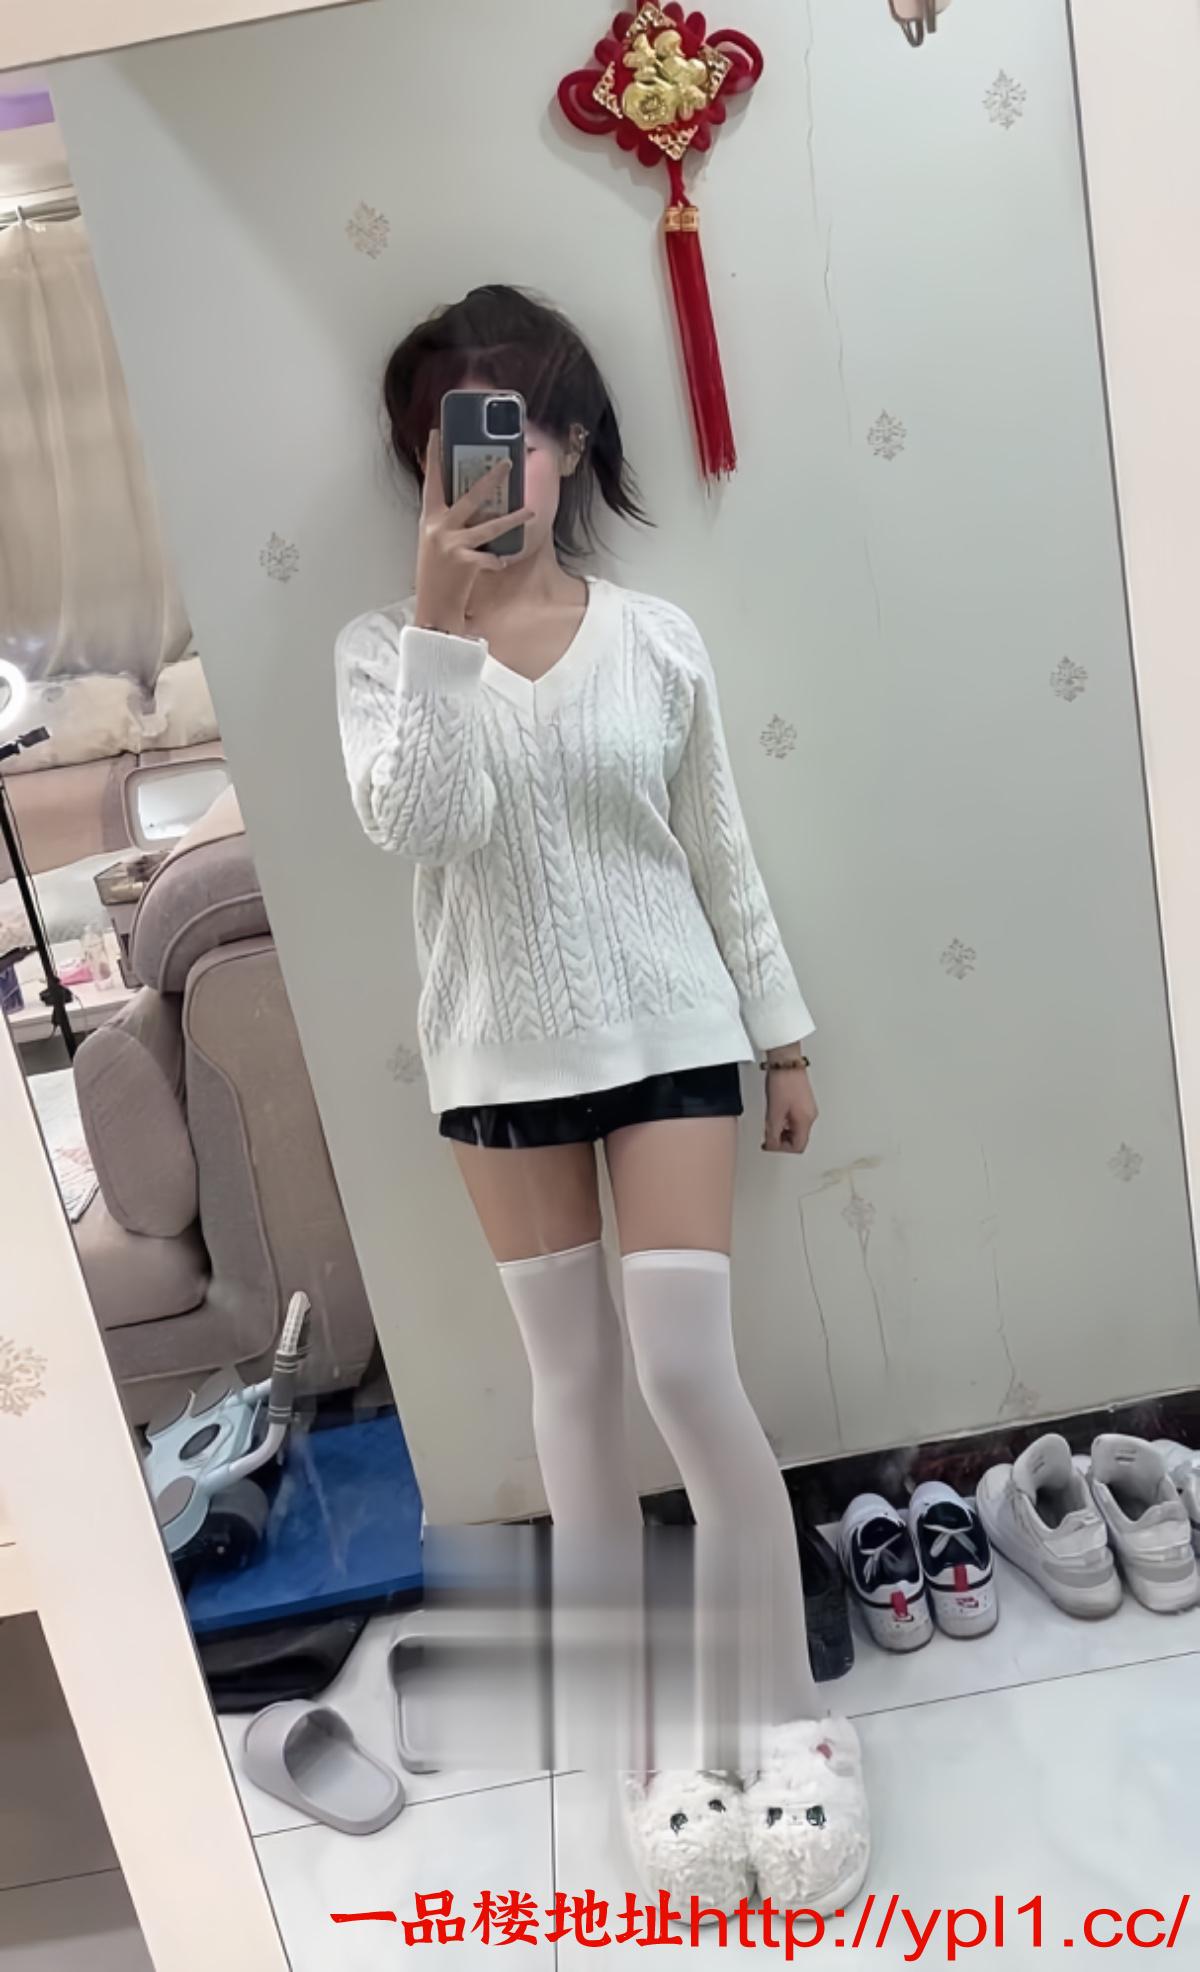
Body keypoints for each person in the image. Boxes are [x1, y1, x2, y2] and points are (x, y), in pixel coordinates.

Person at [335, 284, 869, 1913]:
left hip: (672, 1038)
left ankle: (787, 1725)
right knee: (570, 1399)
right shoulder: (379, 655)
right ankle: (645, 1754)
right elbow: (419, 826)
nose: (489, 464)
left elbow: (718, 852)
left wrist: (782, 1039)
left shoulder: (657, 639)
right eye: (453, 436)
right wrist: (440, 634)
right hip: (498, 1063)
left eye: (518, 428)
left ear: (570, 443)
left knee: (687, 1372)